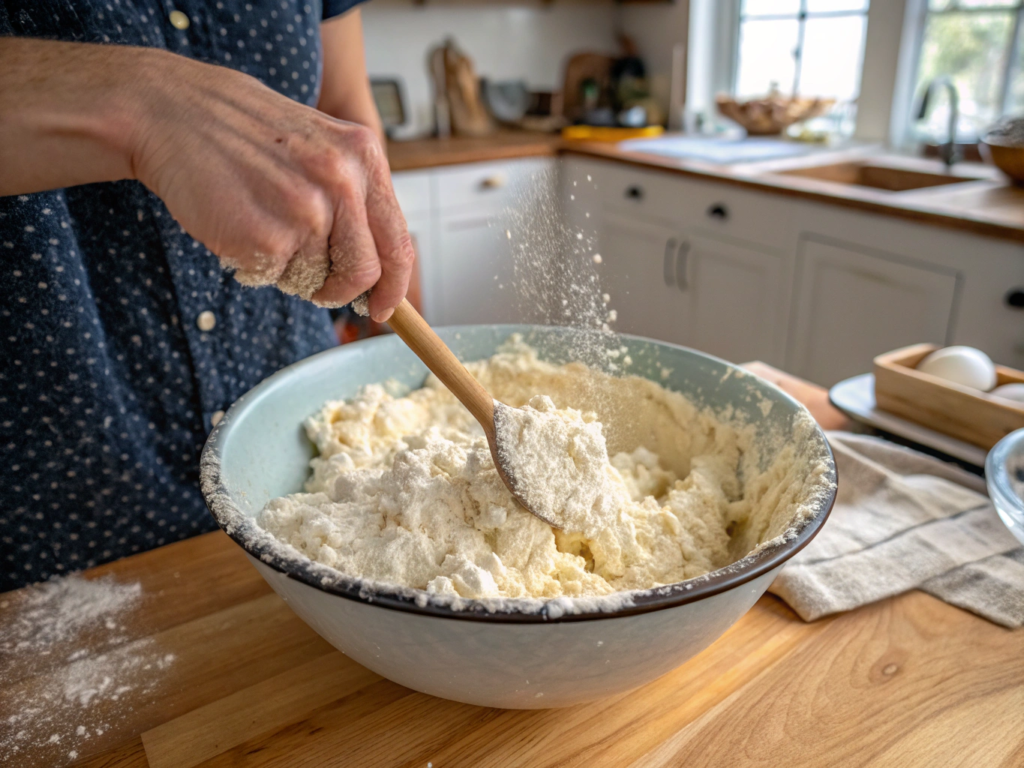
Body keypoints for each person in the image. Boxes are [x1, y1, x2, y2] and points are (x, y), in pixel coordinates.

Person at [0, 1, 414, 591]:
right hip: (63, 475)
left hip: (298, 448)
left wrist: (385, 245)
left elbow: (343, 113)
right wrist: (146, 100)